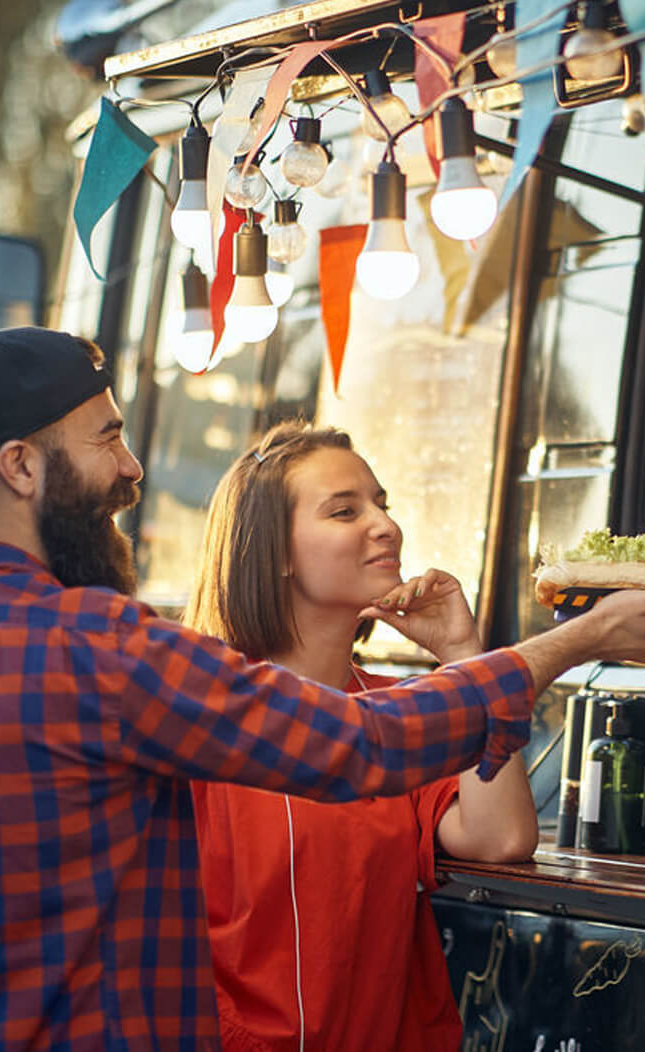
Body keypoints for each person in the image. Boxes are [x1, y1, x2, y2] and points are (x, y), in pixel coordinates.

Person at [0, 327, 645, 1052]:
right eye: (107, 440)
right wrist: (578, 639)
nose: (132, 469)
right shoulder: (98, 647)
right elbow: (362, 747)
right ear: (20, 466)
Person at [185, 423, 536, 1052]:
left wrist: (462, 657)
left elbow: (499, 837)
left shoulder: (392, 709)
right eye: (346, 510)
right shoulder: (199, 709)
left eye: (382, 504)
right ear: (275, 552)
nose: (385, 526)